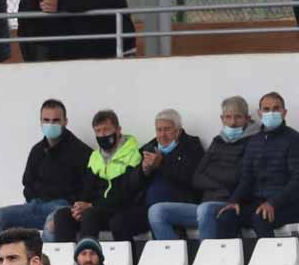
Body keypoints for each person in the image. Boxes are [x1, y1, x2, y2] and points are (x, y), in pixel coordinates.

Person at [150, 96, 258, 240]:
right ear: (222, 119)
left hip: (230, 205)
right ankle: (176, 258)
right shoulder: (218, 141)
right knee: (156, 211)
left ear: (247, 118)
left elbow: (239, 177)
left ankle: (206, 260)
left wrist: (212, 174)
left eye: (237, 117)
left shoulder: (254, 141)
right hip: (204, 206)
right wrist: (223, 183)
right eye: (228, 117)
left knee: (204, 209)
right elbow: (197, 178)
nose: (232, 123)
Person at [0, 99, 92, 242]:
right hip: (35, 206)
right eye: (46, 120)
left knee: (52, 224)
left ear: (65, 122)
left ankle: (45, 264)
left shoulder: (81, 151)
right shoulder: (37, 150)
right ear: (40, 122)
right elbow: (27, 183)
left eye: (56, 120)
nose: (51, 124)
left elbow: (88, 188)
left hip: (62, 208)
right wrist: (32, 200)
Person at [98, 109, 206, 241]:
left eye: (167, 129)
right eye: (158, 130)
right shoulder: (148, 148)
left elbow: (192, 179)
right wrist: (143, 170)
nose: (162, 135)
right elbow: (131, 183)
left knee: (159, 210)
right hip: (147, 208)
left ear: (178, 131)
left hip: (180, 205)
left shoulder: (191, 145)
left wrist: (161, 164)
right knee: (119, 222)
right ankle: (134, 261)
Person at [50, 110, 142, 242]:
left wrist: (91, 206)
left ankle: (88, 258)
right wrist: (79, 207)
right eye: (98, 131)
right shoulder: (95, 156)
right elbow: (86, 190)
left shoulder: (133, 154)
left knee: (89, 214)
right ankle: (66, 261)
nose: (102, 135)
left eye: (106, 130)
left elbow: (125, 192)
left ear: (118, 130)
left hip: (120, 209)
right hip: (96, 209)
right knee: (63, 215)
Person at [216, 92, 299, 239]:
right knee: (226, 216)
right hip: (258, 203)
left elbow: (296, 180)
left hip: (287, 204)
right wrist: (233, 200)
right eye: (266, 109)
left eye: (276, 108)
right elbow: (247, 178)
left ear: (284, 112)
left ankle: (272, 261)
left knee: (260, 217)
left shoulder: (293, 139)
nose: (271, 113)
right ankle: (234, 261)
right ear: (260, 113)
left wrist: (273, 203)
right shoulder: (254, 141)